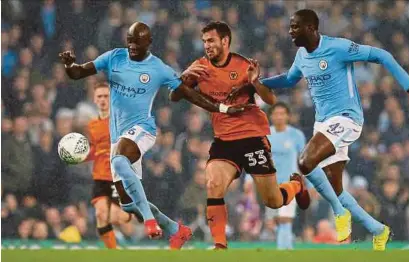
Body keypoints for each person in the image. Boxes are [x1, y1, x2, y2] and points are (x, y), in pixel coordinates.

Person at [248, 9, 409, 251]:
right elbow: (288, 79)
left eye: (295, 26)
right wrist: (256, 83)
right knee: (335, 189)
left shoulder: (338, 47)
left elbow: (382, 55)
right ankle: (378, 230)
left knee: (305, 162)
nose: (290, 31)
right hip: (323, 123)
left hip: (347, 119)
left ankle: (339, 213)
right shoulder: (302, 55)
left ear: (311, 28)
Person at [58, 21, 244, 249]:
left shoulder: (158, 68)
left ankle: (149, 222)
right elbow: (78, 73)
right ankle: (177, 230)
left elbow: (188, 93)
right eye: (129, 40)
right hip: (118, 135)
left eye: (138, 41)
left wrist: (221, 108)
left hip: (143, 129)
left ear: (149, 42)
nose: (132, 45)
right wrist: (70, 65)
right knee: (129, 205)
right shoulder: (114, 57)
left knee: (119, 158)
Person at [170, 21, 310, 249]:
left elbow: (271, 100)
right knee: (214, 183)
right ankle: (220, 245)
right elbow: (175, 97)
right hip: (224, 140)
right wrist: (183, 76)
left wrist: (255, 81)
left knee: (272, 201)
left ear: (225, 41)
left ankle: (295, 186)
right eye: (204, 41)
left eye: (211, 40)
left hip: (252, 137)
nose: (207, 45)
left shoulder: (243, 65)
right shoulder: (199, 67)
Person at [265, 102, 346, 249]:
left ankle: (283, 251)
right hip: (269, 184)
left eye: (282, 113)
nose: (279, 117)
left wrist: (310, 184)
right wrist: (250, 180)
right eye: (276, 114)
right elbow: (260, 160)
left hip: (290, 182)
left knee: (285, 218)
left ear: (288, 116)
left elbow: (304, 161)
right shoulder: (265, 135)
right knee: (272, 222)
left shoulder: (296, 135)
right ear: (271, 116)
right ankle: (287, 245)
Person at [85, 82, 132, 249]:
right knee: (100, 214)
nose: (103, 99)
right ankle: (113, 252)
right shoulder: (92, 125)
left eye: (106, 96)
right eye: (99, 96)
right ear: (94, 100)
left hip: (117, 176)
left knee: (116, 217)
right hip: (99, 176)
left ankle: (134, 214)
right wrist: (81, 156)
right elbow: (93, 150)